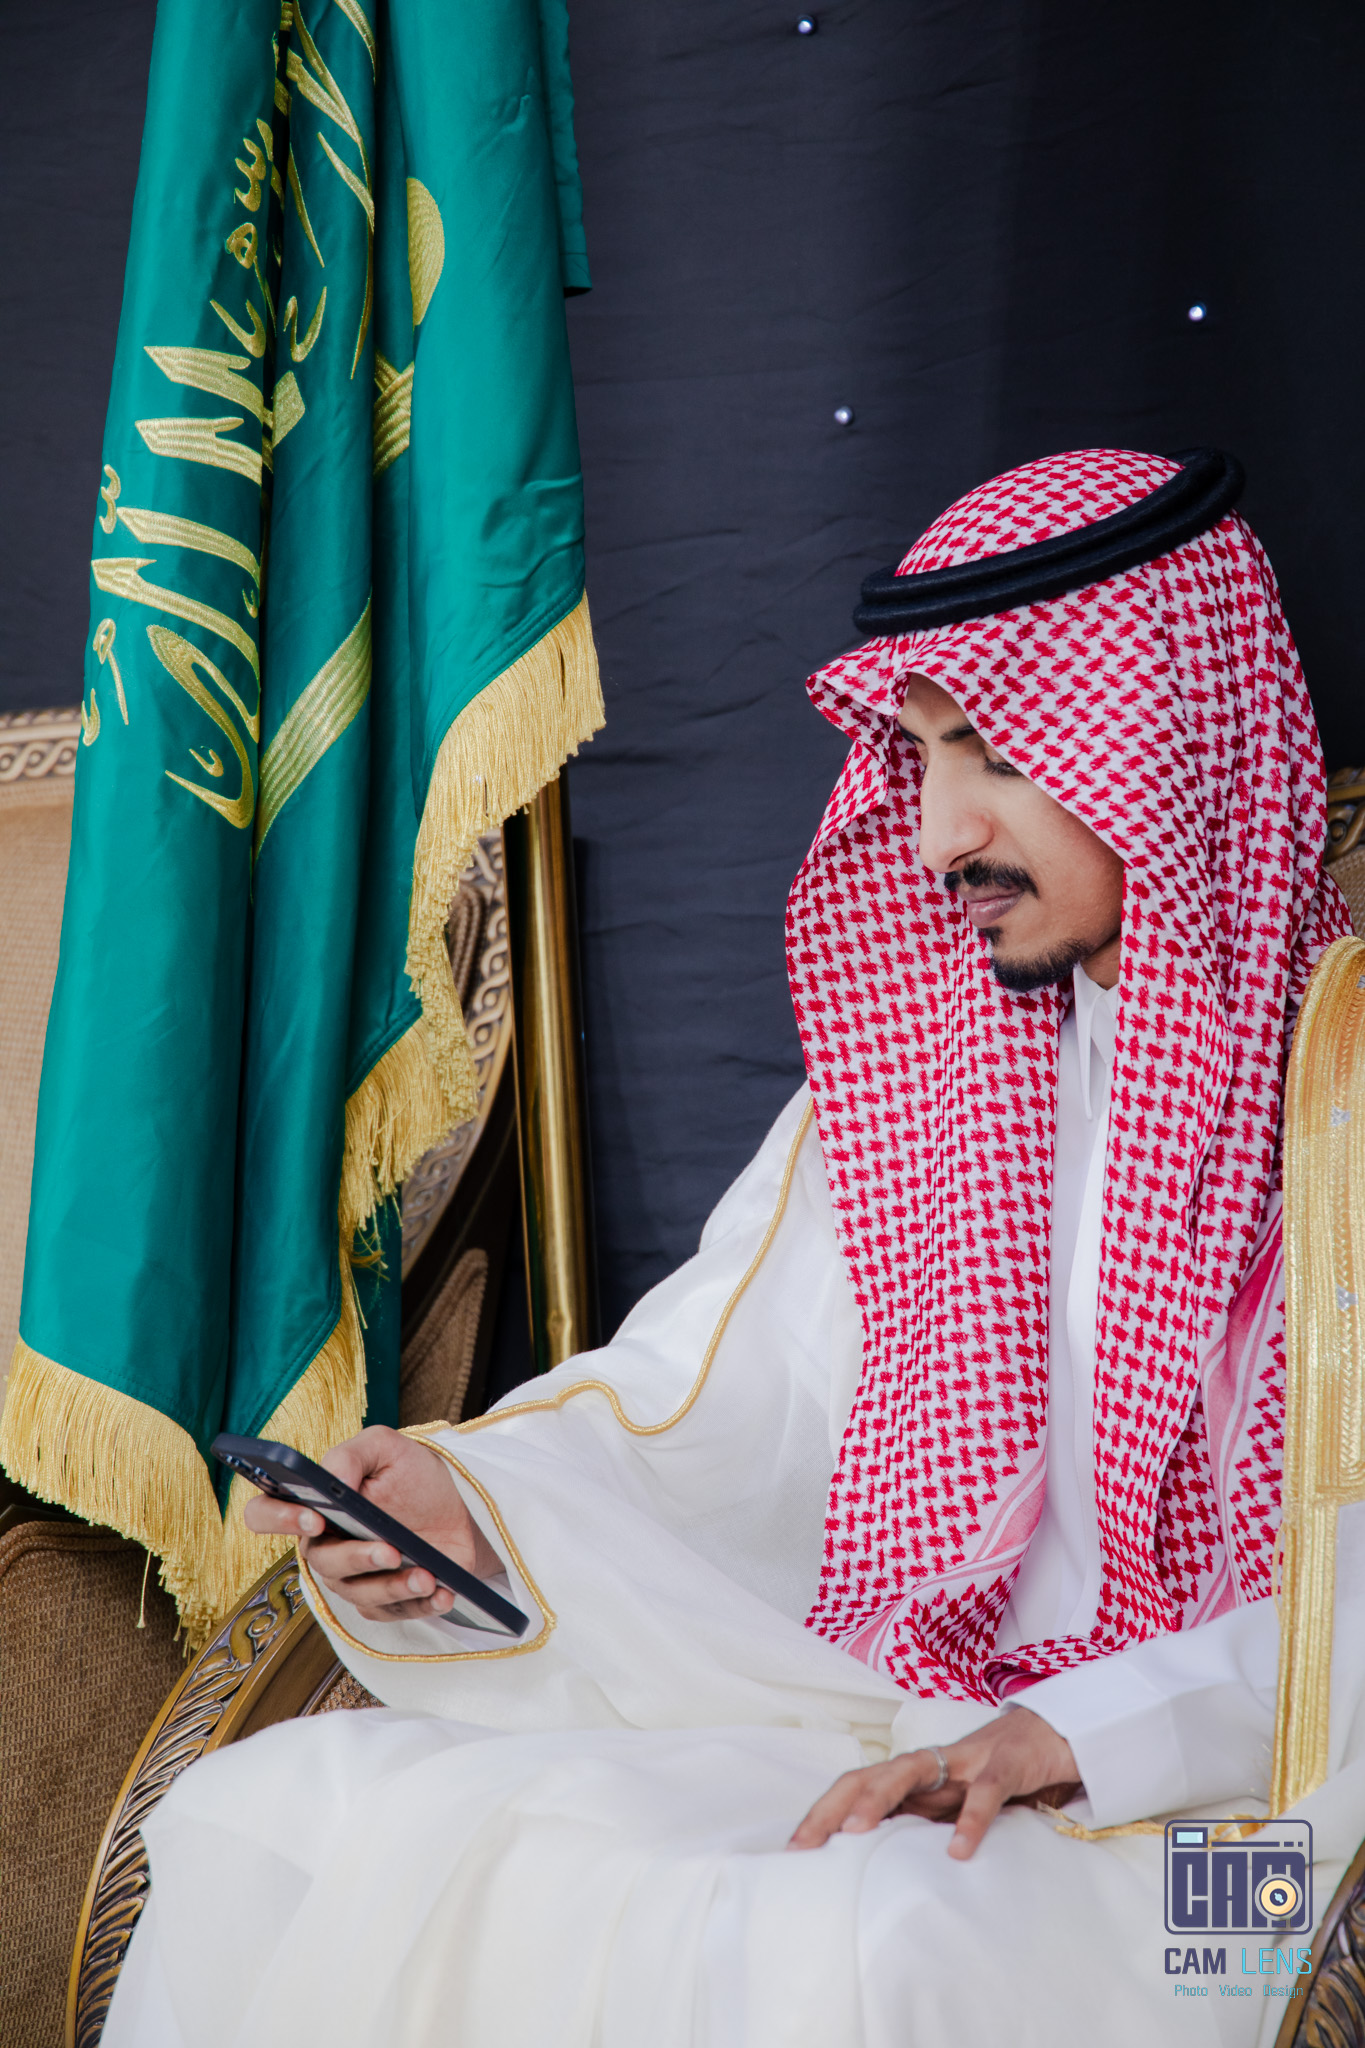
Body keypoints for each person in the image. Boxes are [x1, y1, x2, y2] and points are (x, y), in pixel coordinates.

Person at [104, 448, 1365, 2047]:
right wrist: (472, 1515)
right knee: (304, 1816)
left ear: (1166, 738)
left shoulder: (1341, 1097)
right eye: (915, 755)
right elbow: (717, 1401)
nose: (937, 835)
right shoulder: (930, 1081)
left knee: (874, 1938)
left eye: (991, 750)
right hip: (914, 1725)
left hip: (1258, 1839)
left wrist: (1078, 1735)